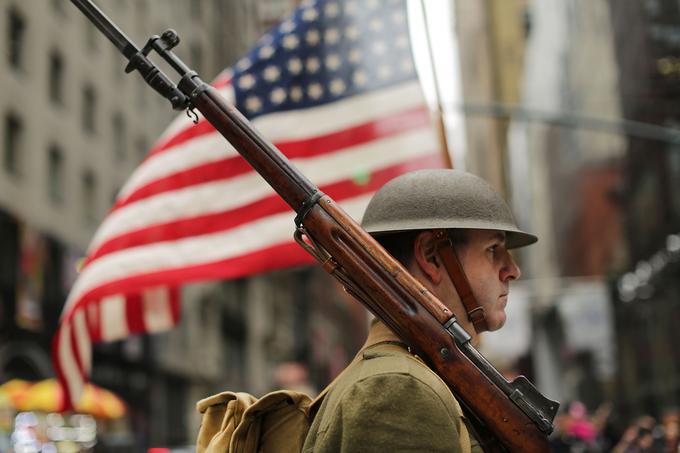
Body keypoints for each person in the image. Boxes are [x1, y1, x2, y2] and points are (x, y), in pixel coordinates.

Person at [302, 169, 538, 453]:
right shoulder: (396, 389)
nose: (513, 270)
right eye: (493, 249)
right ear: (430, 256)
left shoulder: (422, 377)